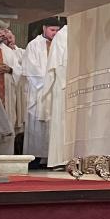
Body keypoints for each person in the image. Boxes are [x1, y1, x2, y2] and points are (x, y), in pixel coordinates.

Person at [20, 20, 62, 167]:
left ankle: (52, 159)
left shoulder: (60, 45)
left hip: (55, 89)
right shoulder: (34, 45)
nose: (55, 33)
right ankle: (35, 158)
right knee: (37, 125)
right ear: (44, 28)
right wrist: (48, 80)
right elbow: (31, 68)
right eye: (52, 30)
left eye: (57, 30)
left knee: (54, 124)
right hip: (39, 91)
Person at [41, 21, 71, 169]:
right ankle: (61, 160)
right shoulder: (62, 36)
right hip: (64, 87)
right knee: (63, 122)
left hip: (81, 87)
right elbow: (54, 66)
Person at [0, 28, 23, 156]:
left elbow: (19, 71)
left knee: (8, 127)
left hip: (8, 94)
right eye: (0, 32)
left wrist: (10, 69)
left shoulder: (9, 51)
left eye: (4, 32)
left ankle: (6, 158)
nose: (3, 35)